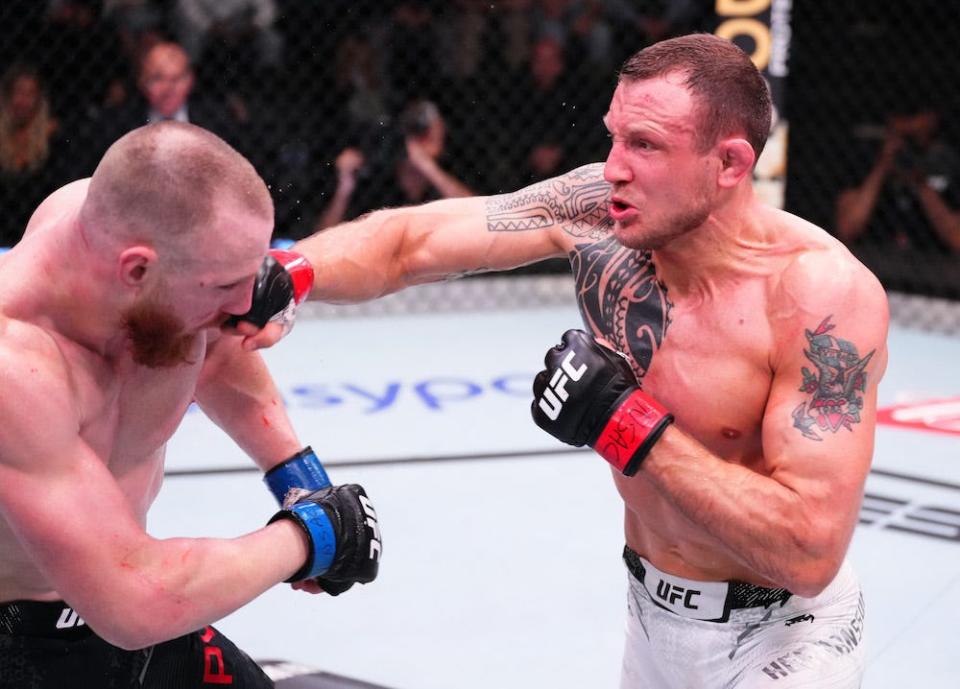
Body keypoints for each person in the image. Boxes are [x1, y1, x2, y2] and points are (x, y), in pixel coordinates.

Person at [260, 33, 889, 687]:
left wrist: (624, 421)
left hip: (784, 639)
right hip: (649, 617)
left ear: (729, 164)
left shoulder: (820, 298)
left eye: (645, 145)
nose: (614, 166)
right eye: (614, 136)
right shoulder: (599, 212)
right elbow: (412, 242)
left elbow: (809, 548)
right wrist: (290, 273)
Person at [0, 121, 381, 688]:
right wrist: (310, 536)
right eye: (226, 284)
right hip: (27, 646)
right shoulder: (16, 367)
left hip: (129, 621)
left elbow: (213, 352)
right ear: (137, 270)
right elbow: (132, 599)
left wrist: (301, 482)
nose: (249, 306)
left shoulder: (125, 227)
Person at [835, 104, 960, 253]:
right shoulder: (866, 162)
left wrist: (920, 183)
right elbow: (847, 229)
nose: (905, 149)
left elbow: (956, 239)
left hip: (935, 266)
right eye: (901, 138)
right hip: (873, 260)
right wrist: (882, 167)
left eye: (912, 142)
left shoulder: (945, 165)